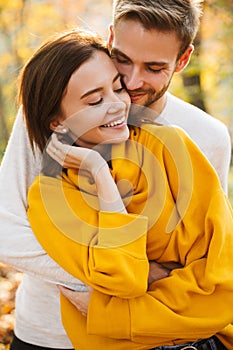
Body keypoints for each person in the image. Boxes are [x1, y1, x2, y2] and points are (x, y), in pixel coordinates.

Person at [0, 0, 231, 349]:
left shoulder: (204, 135)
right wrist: (117, 277)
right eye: (122, 59)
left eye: (154, 67)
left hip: (155, 338)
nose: (132, 81)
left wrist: (123, 299)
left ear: (182, 60)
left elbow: (211, 257)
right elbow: (5, 228)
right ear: (110, 38)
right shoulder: (57, 112)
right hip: (48, 334)